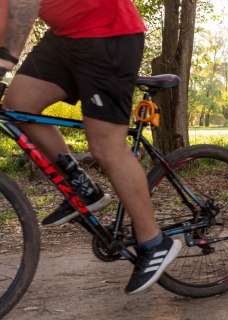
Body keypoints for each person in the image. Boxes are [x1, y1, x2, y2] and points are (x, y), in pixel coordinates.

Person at [0, 0, 181, 294]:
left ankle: (154, 242)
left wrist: (3, 64)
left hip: (108, 33)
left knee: (106, 146)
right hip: (65, 36)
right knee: (18, 105)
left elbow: (23, 9)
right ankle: (83, 187)